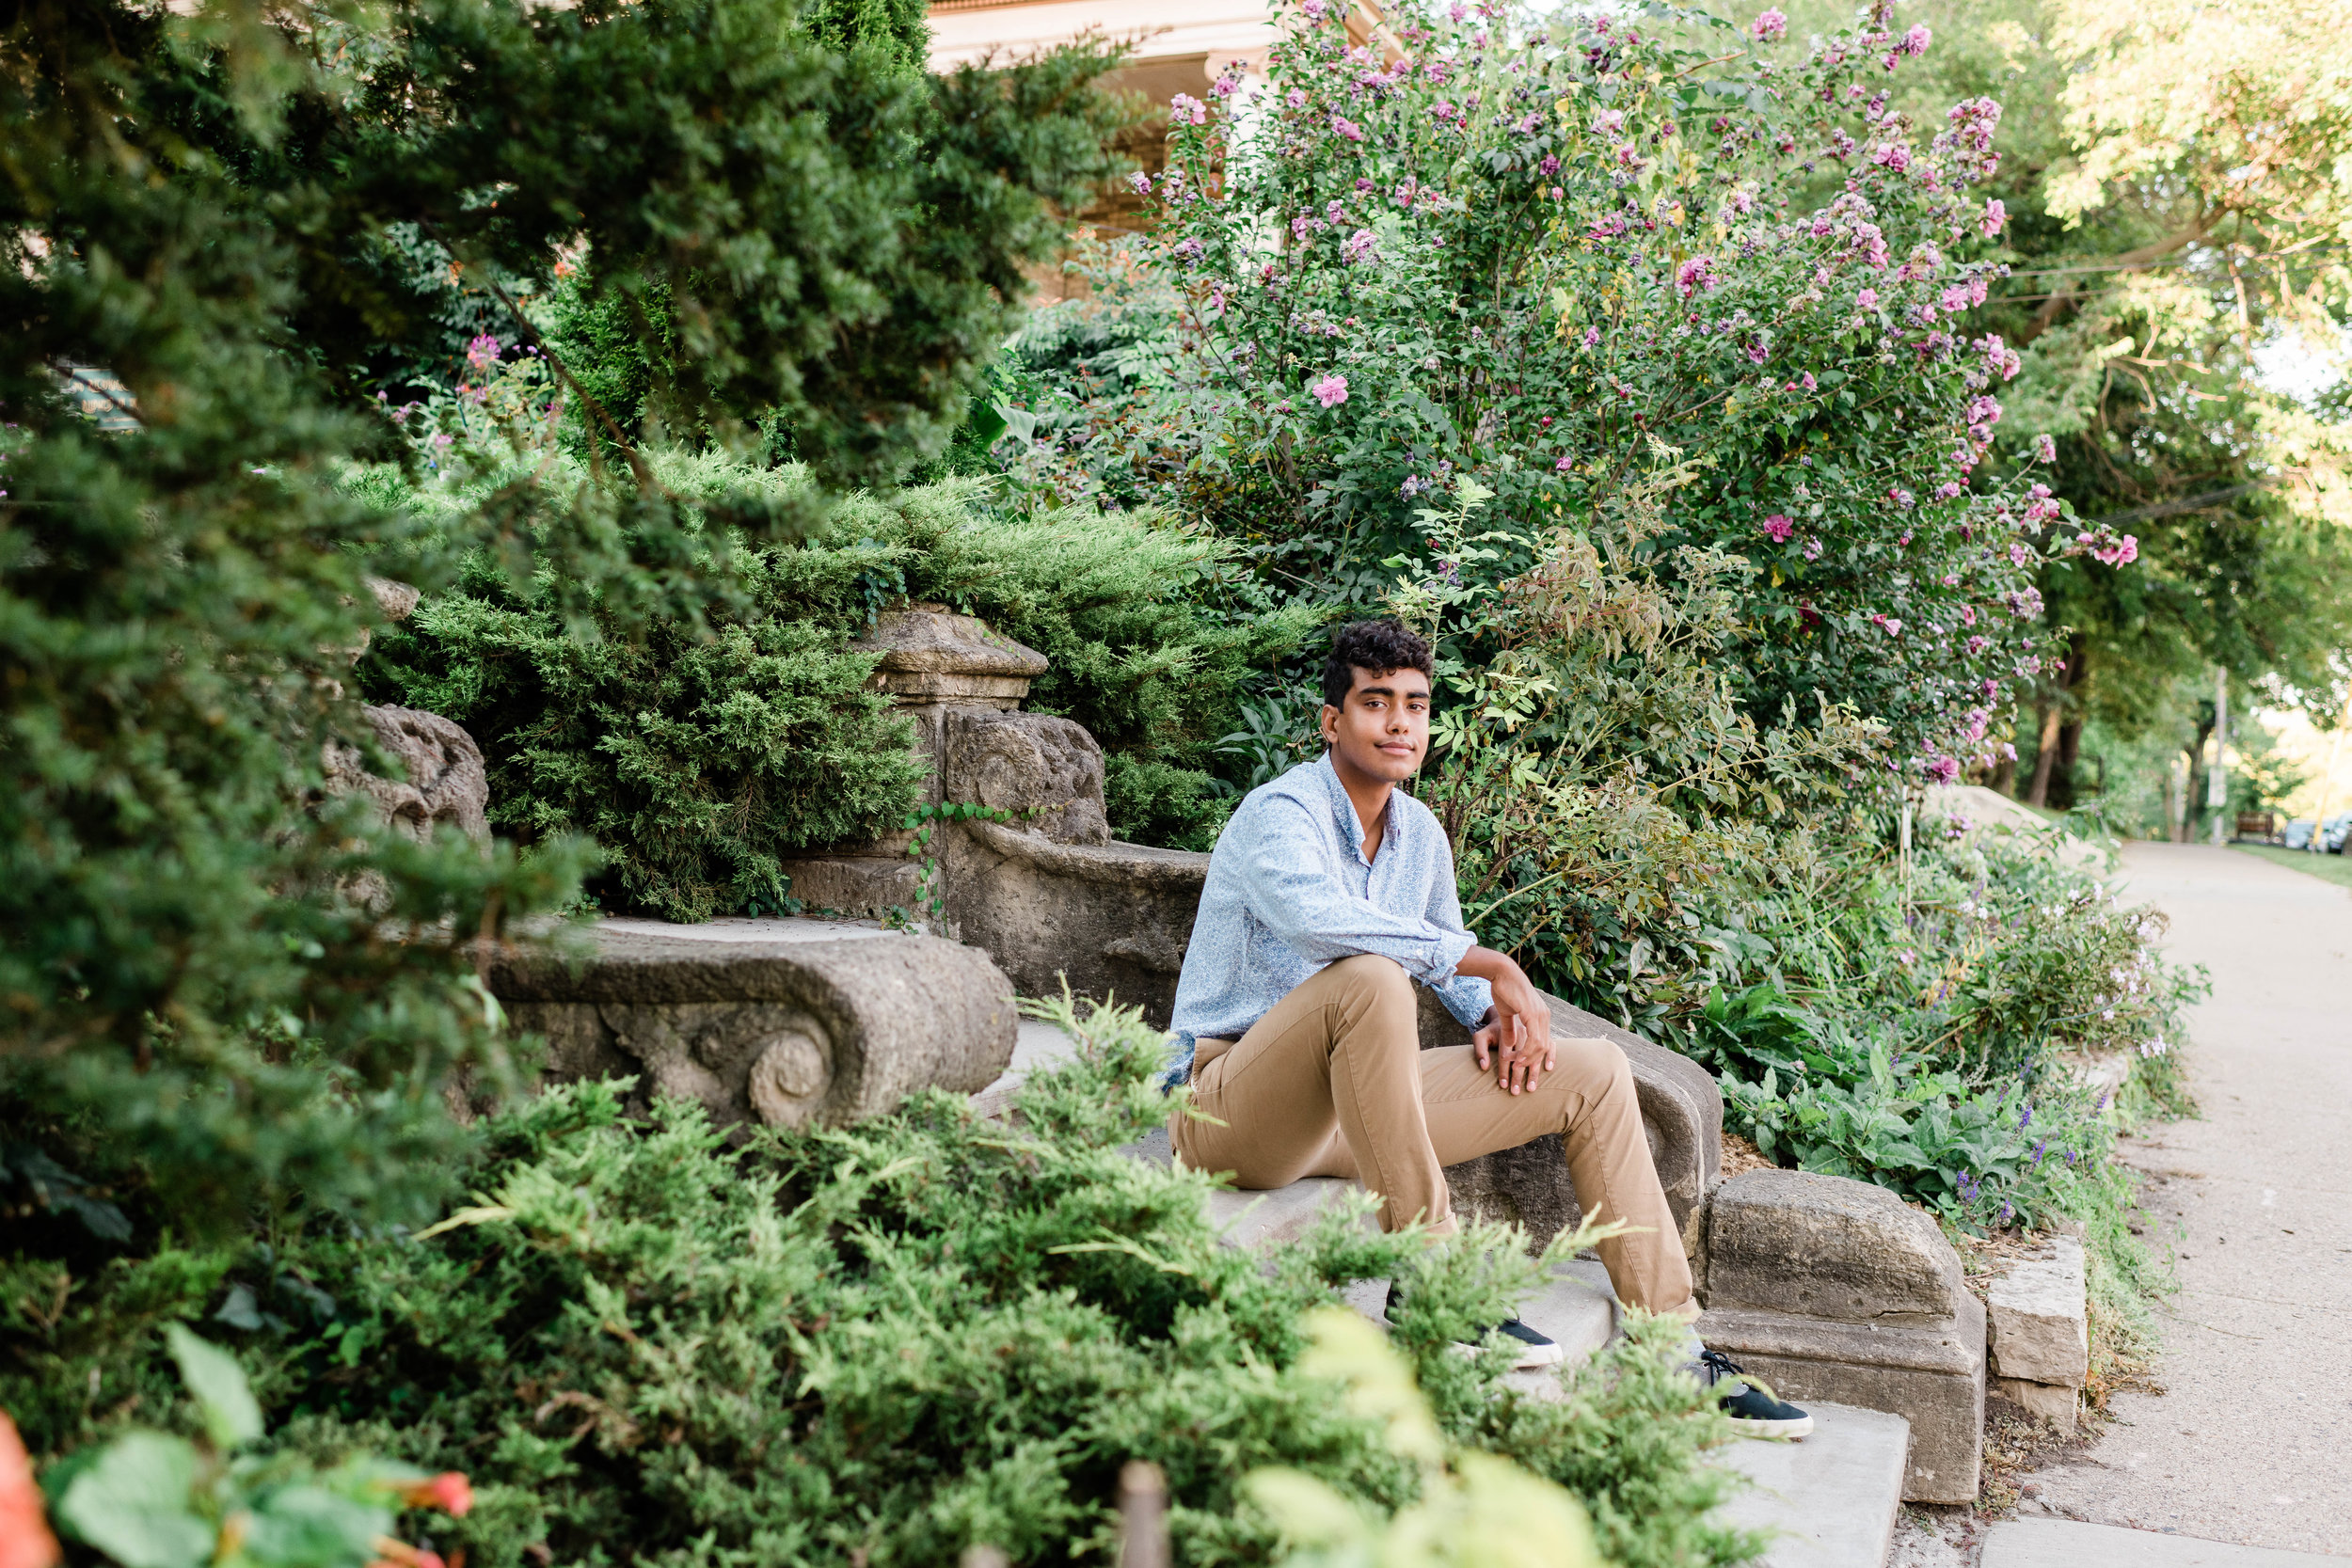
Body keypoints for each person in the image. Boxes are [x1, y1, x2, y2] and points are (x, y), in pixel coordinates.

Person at [1164, 619, 1810, 1437]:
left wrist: (1499, 1018)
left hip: (1344, 1113)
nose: (1400, 723)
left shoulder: (1419, 834)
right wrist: (1489, 962)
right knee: (1369, 976)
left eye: (1416, 706)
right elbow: (1316, 919)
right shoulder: (1280, 813)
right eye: (1375, 703)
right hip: (1228, 1110)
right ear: (1332, 721)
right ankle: (1430, 1280)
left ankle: (1668, 1345)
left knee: (1597, 1069)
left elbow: (1446, 970)